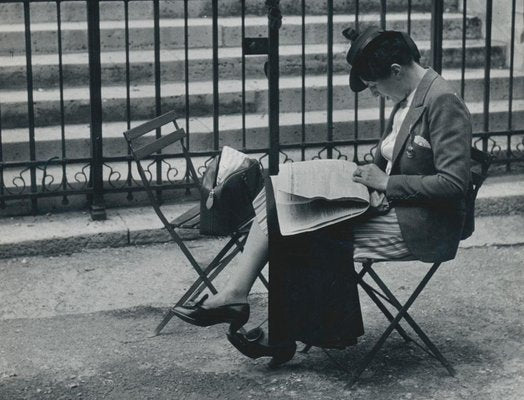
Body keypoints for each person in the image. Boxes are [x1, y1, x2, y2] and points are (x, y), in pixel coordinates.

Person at [172, 28, 473, 363]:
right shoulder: (408, 95)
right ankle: (243, 300)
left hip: (421, 225)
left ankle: (263, 320)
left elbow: (453, 184)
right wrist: (357, 177)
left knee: (298, 225)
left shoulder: (442, 101)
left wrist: (386, 184)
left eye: (374, 85)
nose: (373, 93)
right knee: (282, 198)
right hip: (387, 204)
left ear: (396, 71)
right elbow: (392, 157)